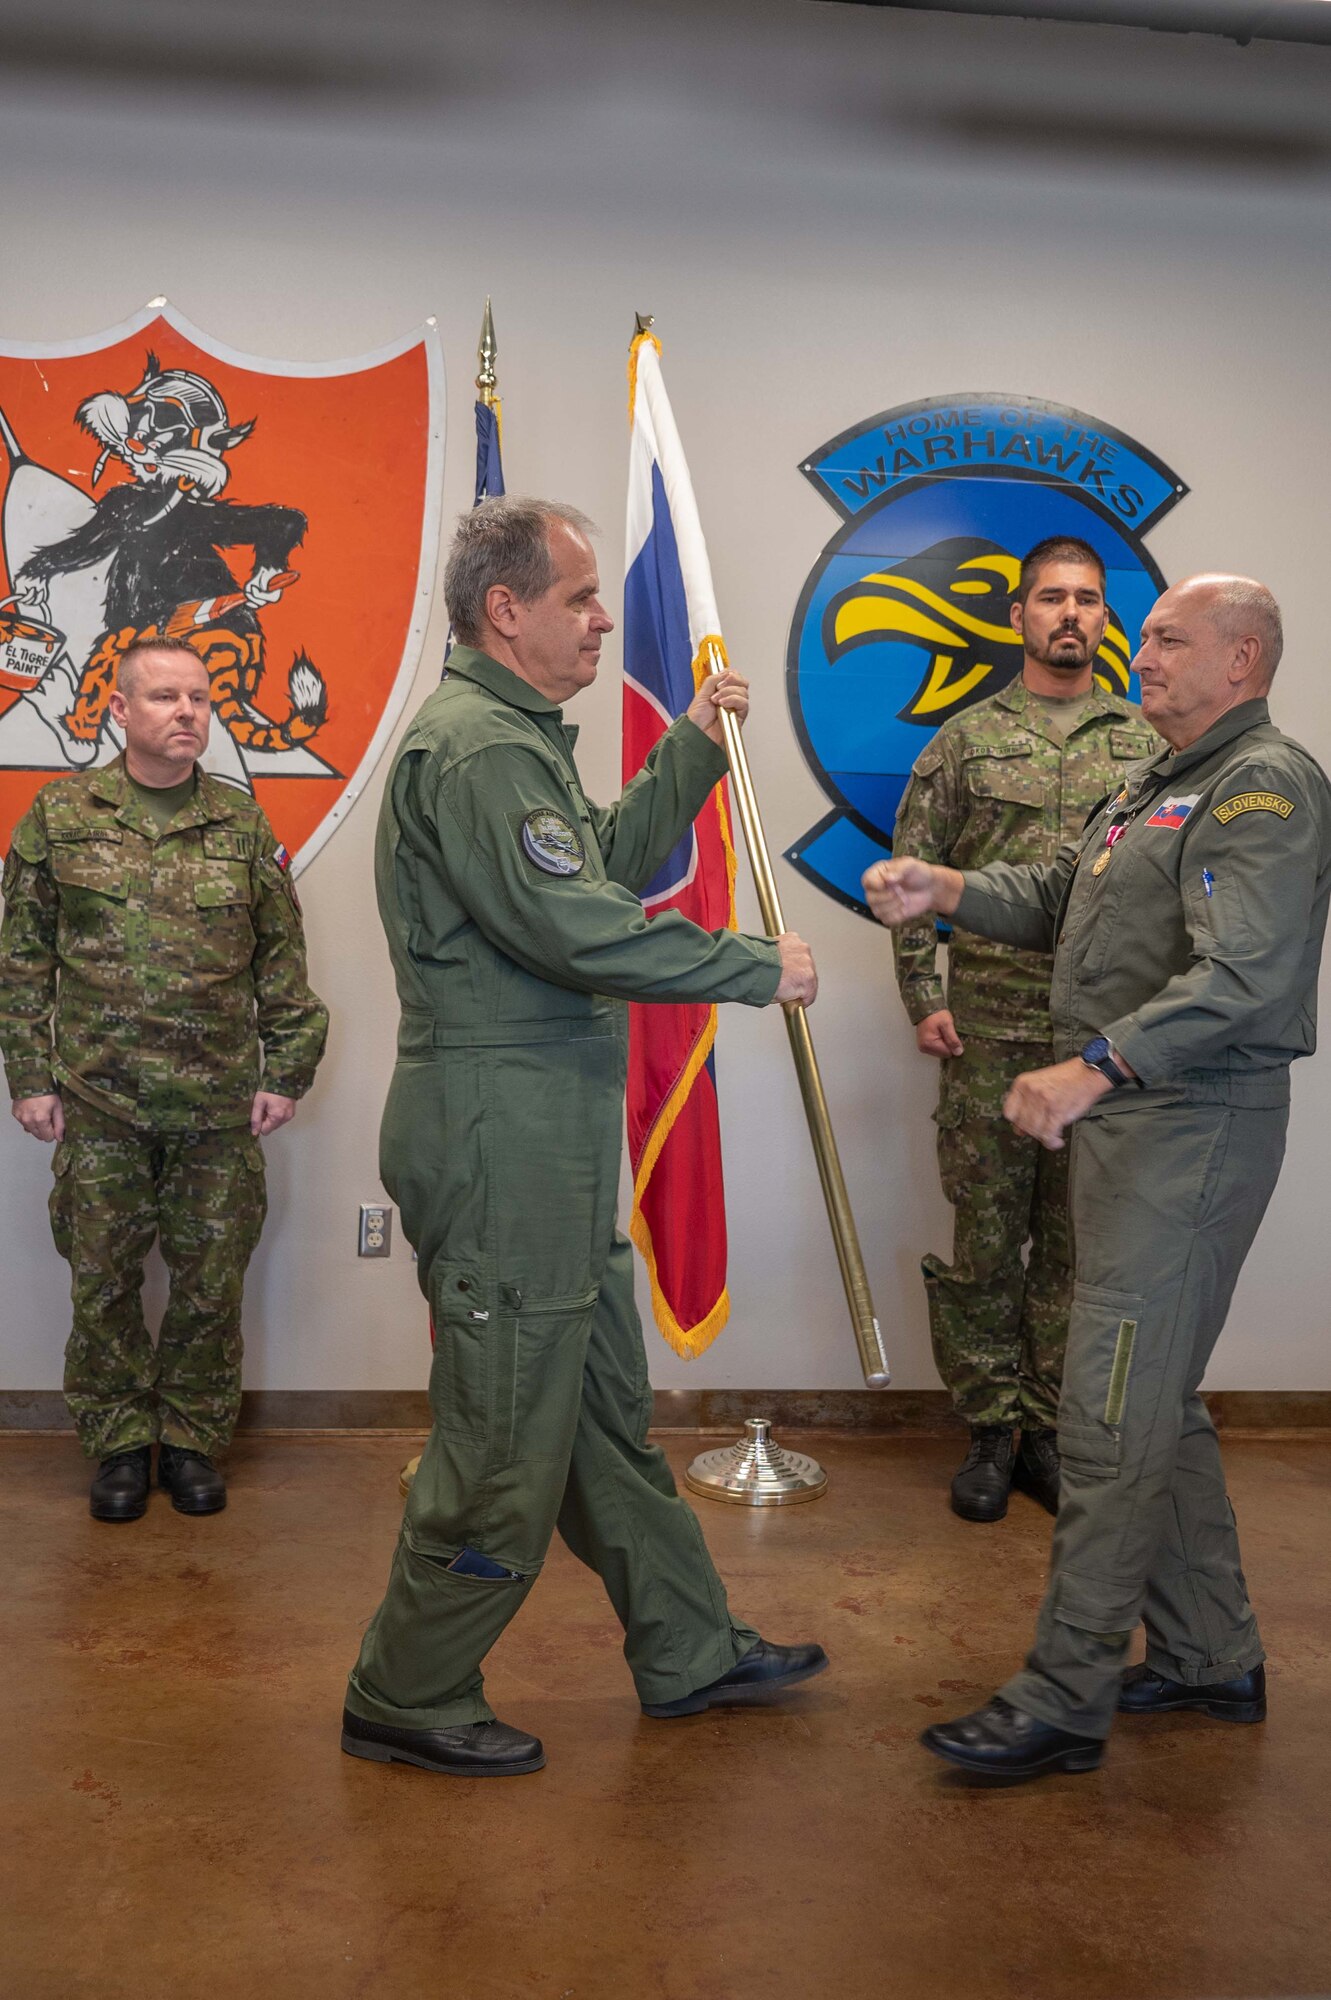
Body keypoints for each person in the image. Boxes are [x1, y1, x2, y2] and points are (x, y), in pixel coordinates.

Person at [341, 496, 827, 1778]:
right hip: (502, 1132)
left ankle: (688, 1645)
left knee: (598, 1416)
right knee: (505, 1432)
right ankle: (410, 1682)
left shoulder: (513, 739)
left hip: (544, 1132)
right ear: (506, 610)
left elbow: (591, 871)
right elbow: (571, 933)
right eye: (580, 595)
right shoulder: (477, 750)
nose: (602, 616)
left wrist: (688, 751)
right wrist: (747, 965)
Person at [864, 573, 1331, 1783]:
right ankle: (1206, 1652)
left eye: (1172, 638)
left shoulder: (1259, 787)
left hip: (1188, 1124)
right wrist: (948, 889)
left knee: (1107, 1407)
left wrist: (1091, 1065)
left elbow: (1246, 979)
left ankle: (1062, 1692)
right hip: (1138, 1123)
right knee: (1151, 1397)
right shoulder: (1154, 780)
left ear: (1242, 659)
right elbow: (1065, 898)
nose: (1145, 651)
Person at [0, 636, 328, 1522]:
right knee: (101, 1280)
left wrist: (286, 1068)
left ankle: (188, 1441)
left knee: (210, 1282)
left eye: (198, 698)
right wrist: (30, 1077)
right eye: (164, 698)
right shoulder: (61, 816)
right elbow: (22, 960)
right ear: (119, 710)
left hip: (218, 1106)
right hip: (97, 1102)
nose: (187, 712)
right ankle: (115, 1445)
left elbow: (280, 963)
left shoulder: (241, 824)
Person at [891, 536, 1155, 1522]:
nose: (1069, 615)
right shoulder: (960, 741)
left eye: (1086, 599)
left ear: (1103, 617)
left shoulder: (1142, 747)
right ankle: (986, 1430)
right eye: (1051, 597)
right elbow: (910, 875)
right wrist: (925, 997)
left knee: (1076, 1243)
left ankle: (1045, 1427)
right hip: (989, 1031)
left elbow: (1163, 891)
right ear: (1016, 616)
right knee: (987, 1241)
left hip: (1092, 1039)